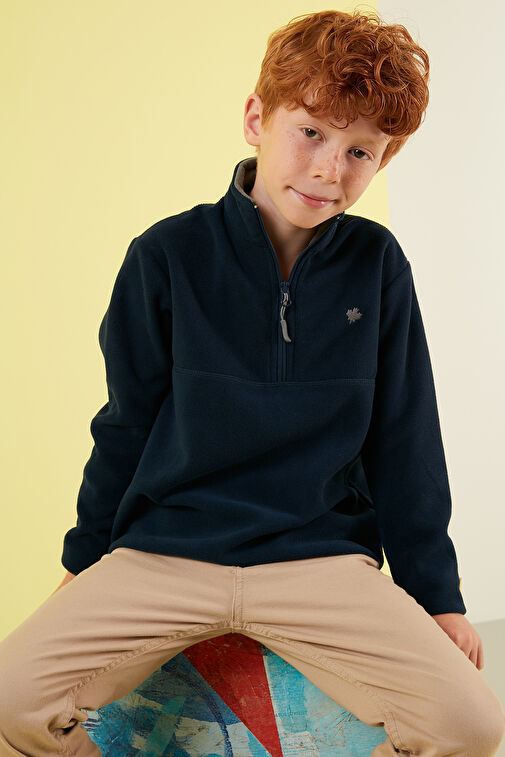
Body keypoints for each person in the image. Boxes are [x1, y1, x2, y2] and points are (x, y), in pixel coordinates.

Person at [1, 8, 504, 756]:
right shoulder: (165, 255)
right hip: (167, 552)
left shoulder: (377, 264)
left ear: (383, 160)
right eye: (311, 132)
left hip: (319, 562)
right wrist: (82, 565)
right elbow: (125, 425)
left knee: (472, 725)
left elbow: (405, 438)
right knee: (10, 698)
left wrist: (439, 598)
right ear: (255, 119)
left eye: (360, 151)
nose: (330, 168)